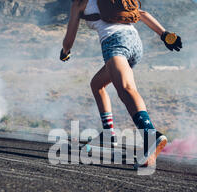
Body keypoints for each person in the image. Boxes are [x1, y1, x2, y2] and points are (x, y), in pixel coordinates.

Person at [60, 0, 182, 167]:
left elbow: (69, 40)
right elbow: (142, 14)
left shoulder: (79, 3)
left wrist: (65, 52)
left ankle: (150, 135)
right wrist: (164, 35)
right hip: (135, 43)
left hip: (115, 42)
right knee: (97, 84)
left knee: (126, 88)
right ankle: (108, 133)